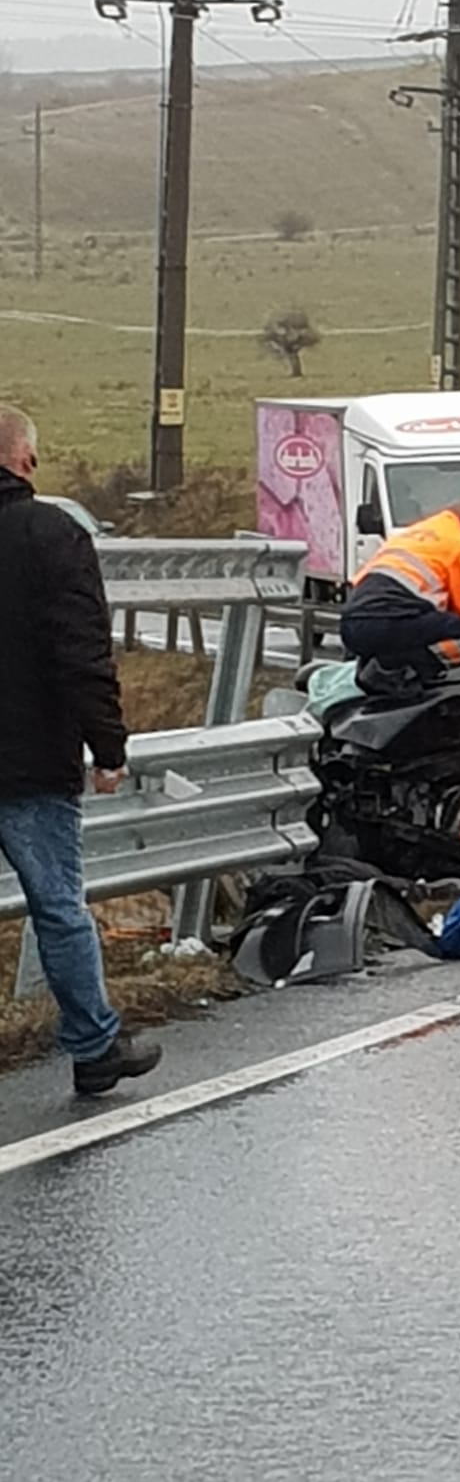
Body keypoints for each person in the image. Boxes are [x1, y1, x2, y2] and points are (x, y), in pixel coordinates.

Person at [0, 404, 162, 1095]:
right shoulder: (53, 535)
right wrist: (108, 746)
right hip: (33, 760)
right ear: (27, 460)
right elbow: (81, 652)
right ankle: (94, 1048)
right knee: (59, 908)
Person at [341, 501, 460, 684]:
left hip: (351, 621)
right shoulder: (459, 544)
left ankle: (378, 682)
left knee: (407, 647)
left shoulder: (412, 534)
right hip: (386, 621)